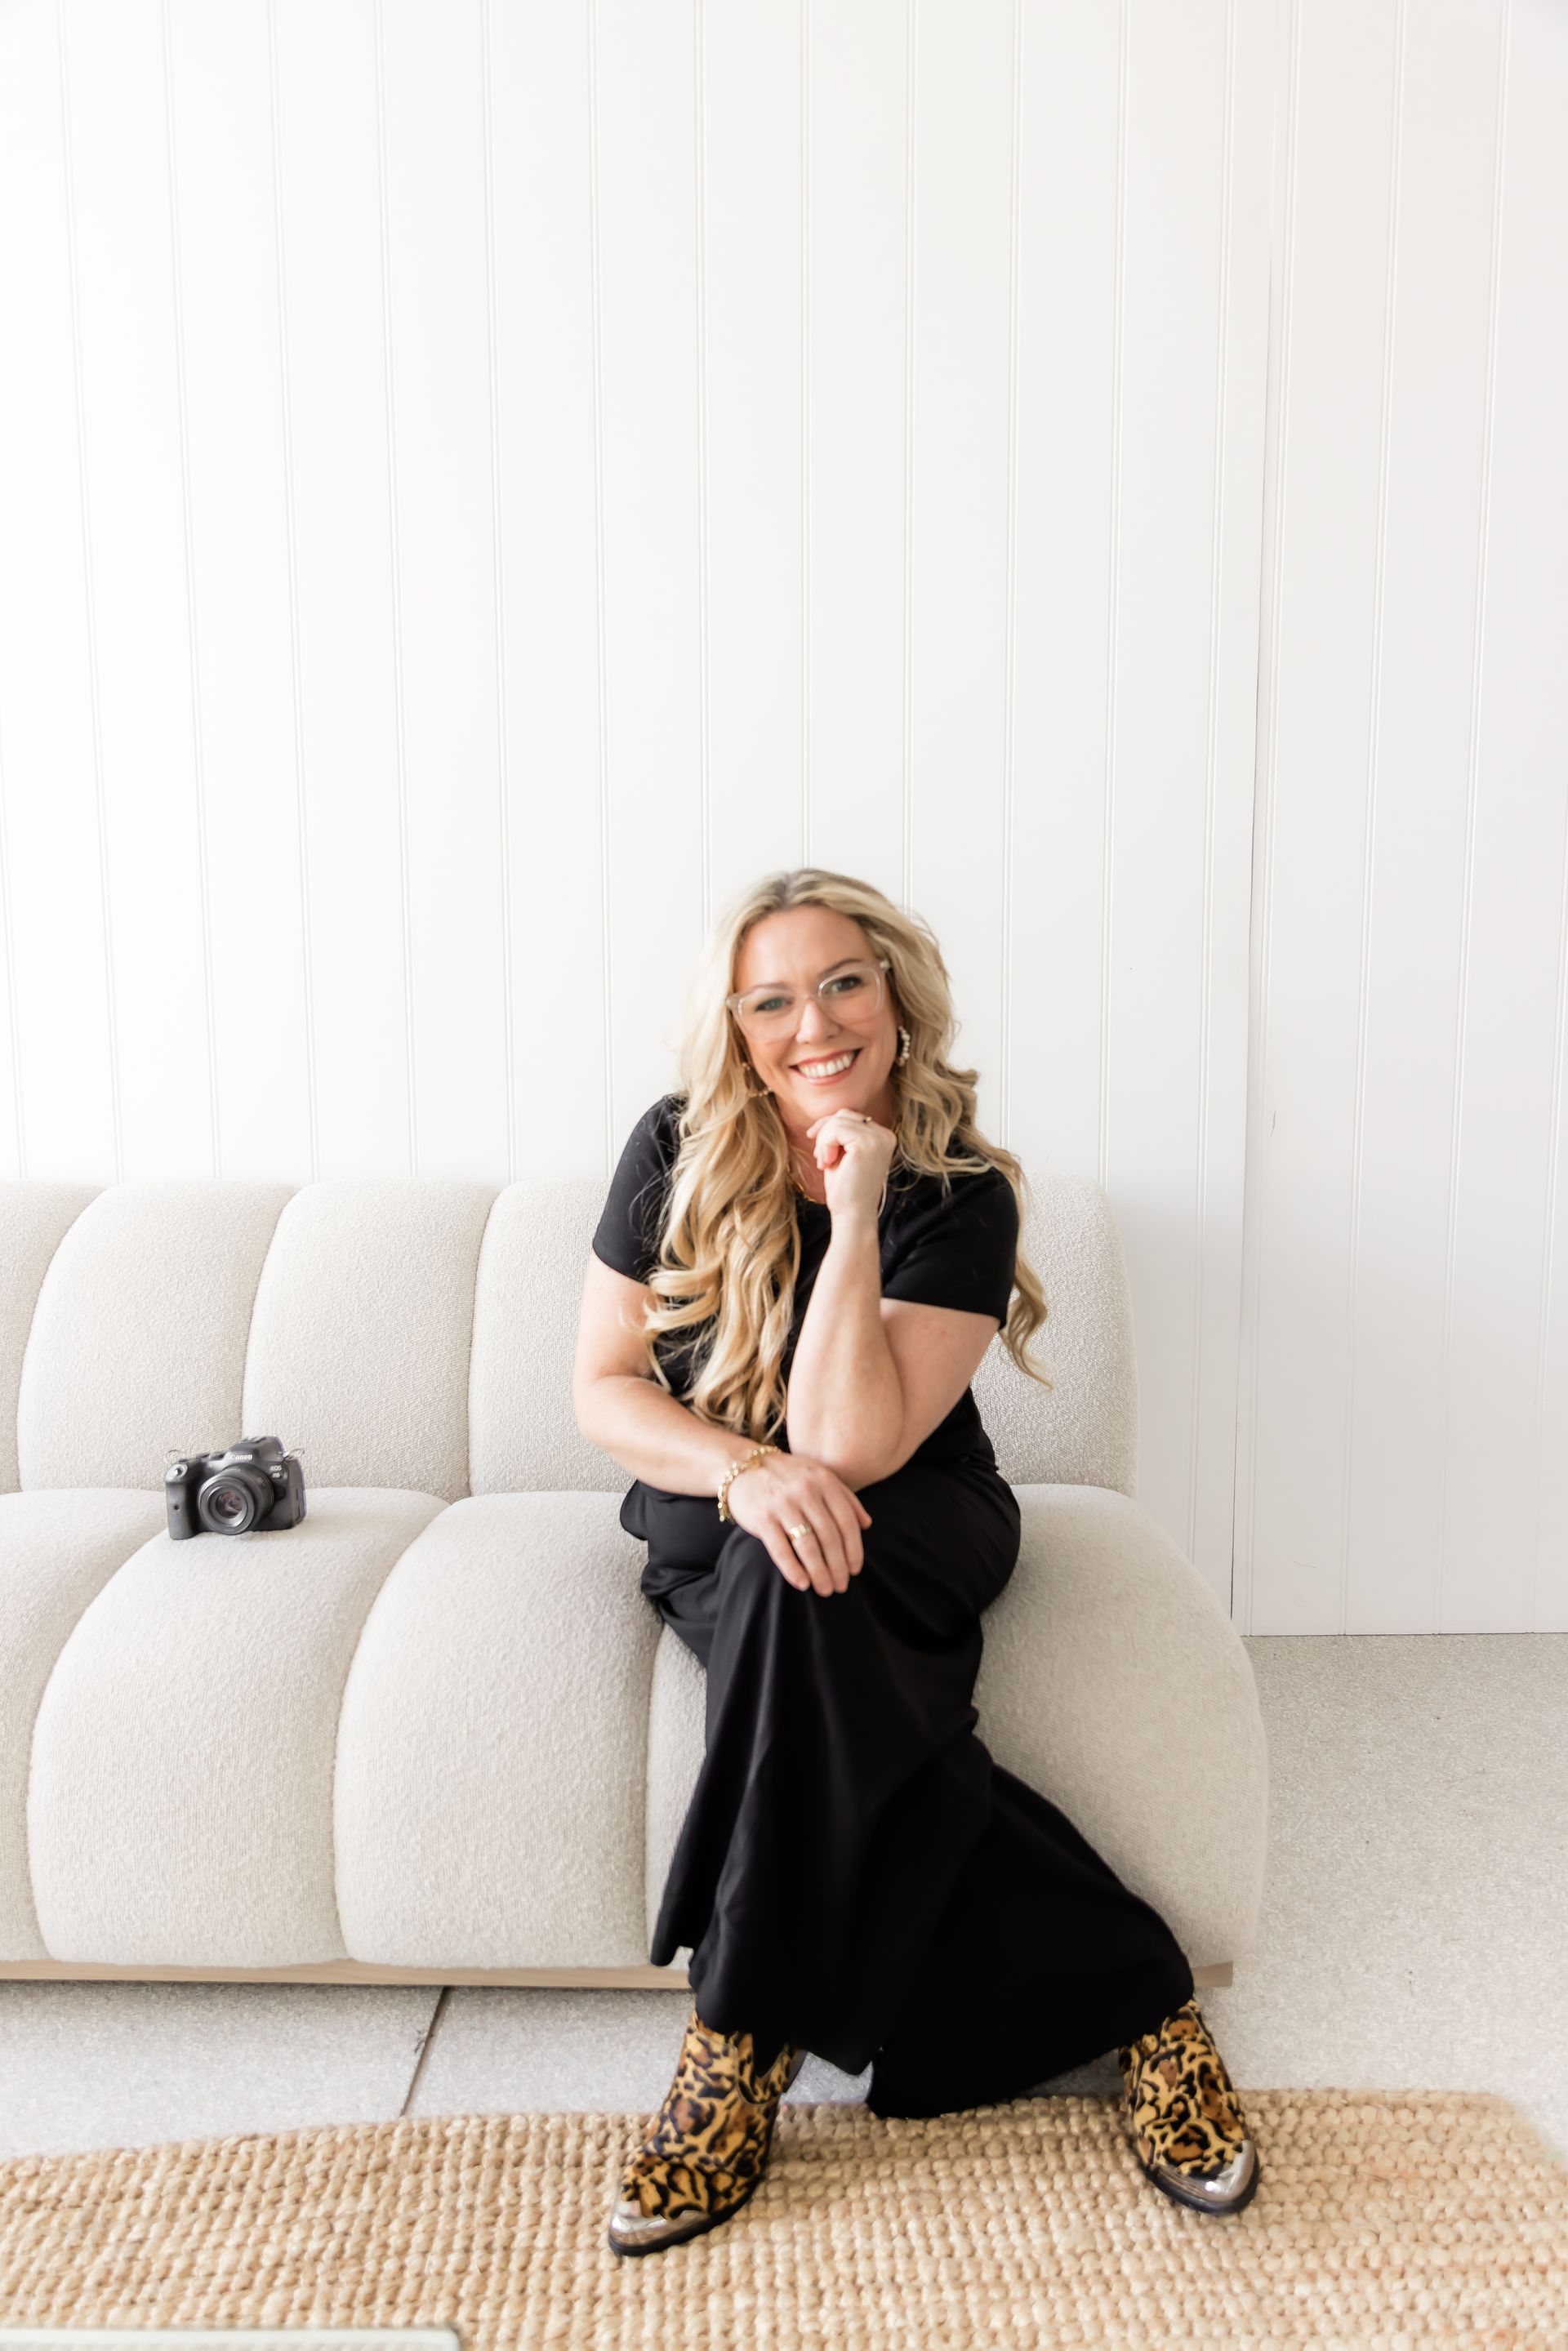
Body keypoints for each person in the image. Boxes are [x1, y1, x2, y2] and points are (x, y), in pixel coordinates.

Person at [572, 867, 1260, 2256]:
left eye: (841, 983)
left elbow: (847, 1439)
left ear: (895, 996)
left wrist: (861, 1193)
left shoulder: (958, 1190)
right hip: (718, 1503)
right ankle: (1144, 2000)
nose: (811, 1022)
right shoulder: (672, 1143)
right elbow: (602, 1387)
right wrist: (743, 1470)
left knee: (799, 1575)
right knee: (781, 1575)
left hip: (918, 1512)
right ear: (735, 1023)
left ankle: (734, 2046)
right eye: (770, 999)